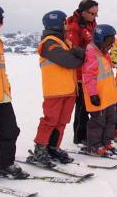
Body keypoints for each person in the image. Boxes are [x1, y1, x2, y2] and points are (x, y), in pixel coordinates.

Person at [32, 10, 85, 166]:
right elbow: (69, 61)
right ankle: (40, 149)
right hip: (55, 91)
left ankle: (53, 147)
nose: (67, 26)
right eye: (64, 23)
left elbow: (82, 54)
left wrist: (78, 54)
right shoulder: (49, 42)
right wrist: (78, 57)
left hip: (68, 89)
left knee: (62, 122)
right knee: (50, 120)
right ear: (57, 24)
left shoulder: (64, 42)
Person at [0, 4, 29, 179]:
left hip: (2, 98)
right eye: (0, 21)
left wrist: (7, 89)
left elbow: (0, 71)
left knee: (10, 131)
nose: (1, 24)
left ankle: (4, 165)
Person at [82, 24, 117, 155]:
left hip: (108, 96)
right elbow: (88, 76)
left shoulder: (103, 52)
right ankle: (94, 145)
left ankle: (107, 141)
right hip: (98, 97)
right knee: (98, 122)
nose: (111, 45)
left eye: (112, 41)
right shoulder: (92, 53)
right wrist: (93, 95)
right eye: (109, 41)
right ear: (100, 39)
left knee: (110, 120)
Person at [66, 0, 98, 145]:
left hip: (90, 70)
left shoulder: (90, 23)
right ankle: (79, 137)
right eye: (92, 13)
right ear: (84, 12)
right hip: (79, 73)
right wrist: (89, 55)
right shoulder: (74, 26)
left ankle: (84, 135)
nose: (95, 16)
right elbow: (72, 49)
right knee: (82, 107)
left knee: (87, 106)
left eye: (96, 14)